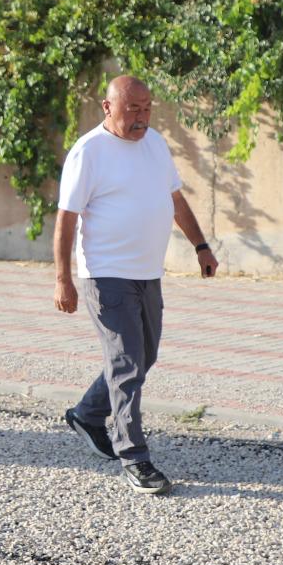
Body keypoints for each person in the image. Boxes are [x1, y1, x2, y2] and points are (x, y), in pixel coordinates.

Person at [54, 75, 219, 494]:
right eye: (133, 109)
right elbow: (66, 219)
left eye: (147, 108)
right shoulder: (89, 152)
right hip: (105, 274)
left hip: (147, 272)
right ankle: (135, 457)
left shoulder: (156, 144)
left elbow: (175, 199)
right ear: (107, 107)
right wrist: (63, 280)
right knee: (127, 363)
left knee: (143, 356)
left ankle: (87, 414)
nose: (141, 117)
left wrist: (200, 245)